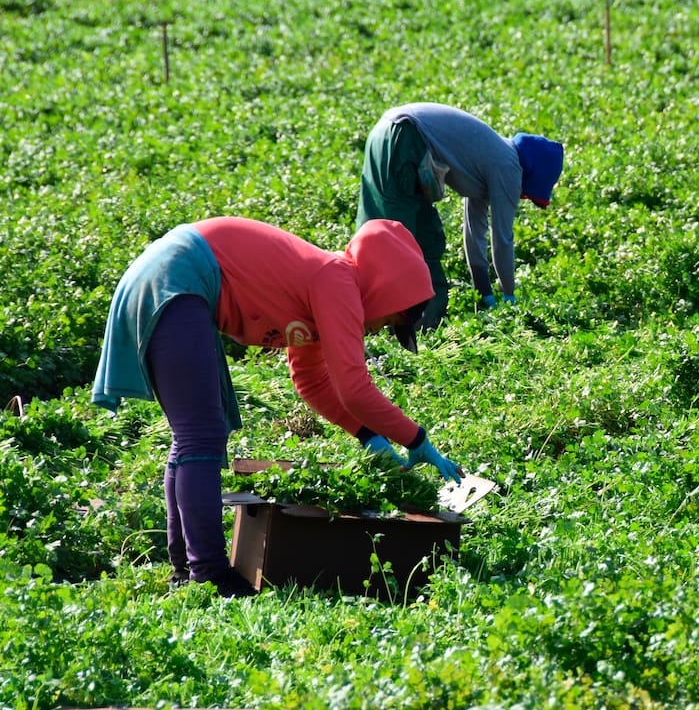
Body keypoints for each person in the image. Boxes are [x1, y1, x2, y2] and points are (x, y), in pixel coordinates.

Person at [92, 217, 464, 597]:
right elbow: (354, 387)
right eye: (393, 320)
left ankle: (186, 568)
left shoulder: (326, 287)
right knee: (200, 437)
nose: (382, 328)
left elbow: (313, 382)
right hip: (178, 277)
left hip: (169, 275)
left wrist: (368, 435)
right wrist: (415, 438)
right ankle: (209, 574)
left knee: (196, 437)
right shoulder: (337, 281)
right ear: (387, 292)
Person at [357, 102, 565, 330]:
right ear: (532, 174)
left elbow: (474, 235)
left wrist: (484, 294)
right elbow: (502, 239)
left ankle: (420, 321)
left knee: (427, 239)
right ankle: (391, 322)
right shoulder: (508, 166)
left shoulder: (490, 160)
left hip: (392, 132)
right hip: (404, 138)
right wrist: (509, 296)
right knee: (396, 242)